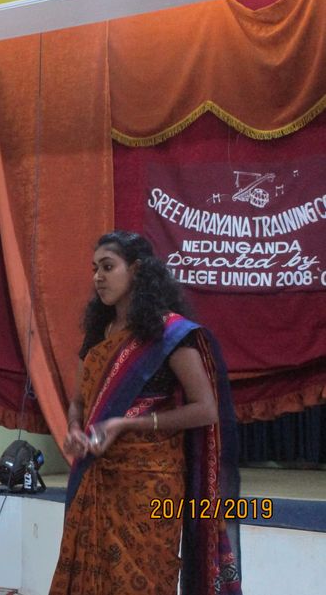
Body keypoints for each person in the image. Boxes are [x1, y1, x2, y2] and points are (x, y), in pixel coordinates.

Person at [49, 231, 241, 595]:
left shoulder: (168, 334)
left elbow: (206, 409)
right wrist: (74, 427)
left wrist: (127, 424)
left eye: (108, 267)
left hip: (151, 484)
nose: (98, 277)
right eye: (94, 269)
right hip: (97, 477)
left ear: (136, 270)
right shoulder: (99, 333)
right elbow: (80, 401)